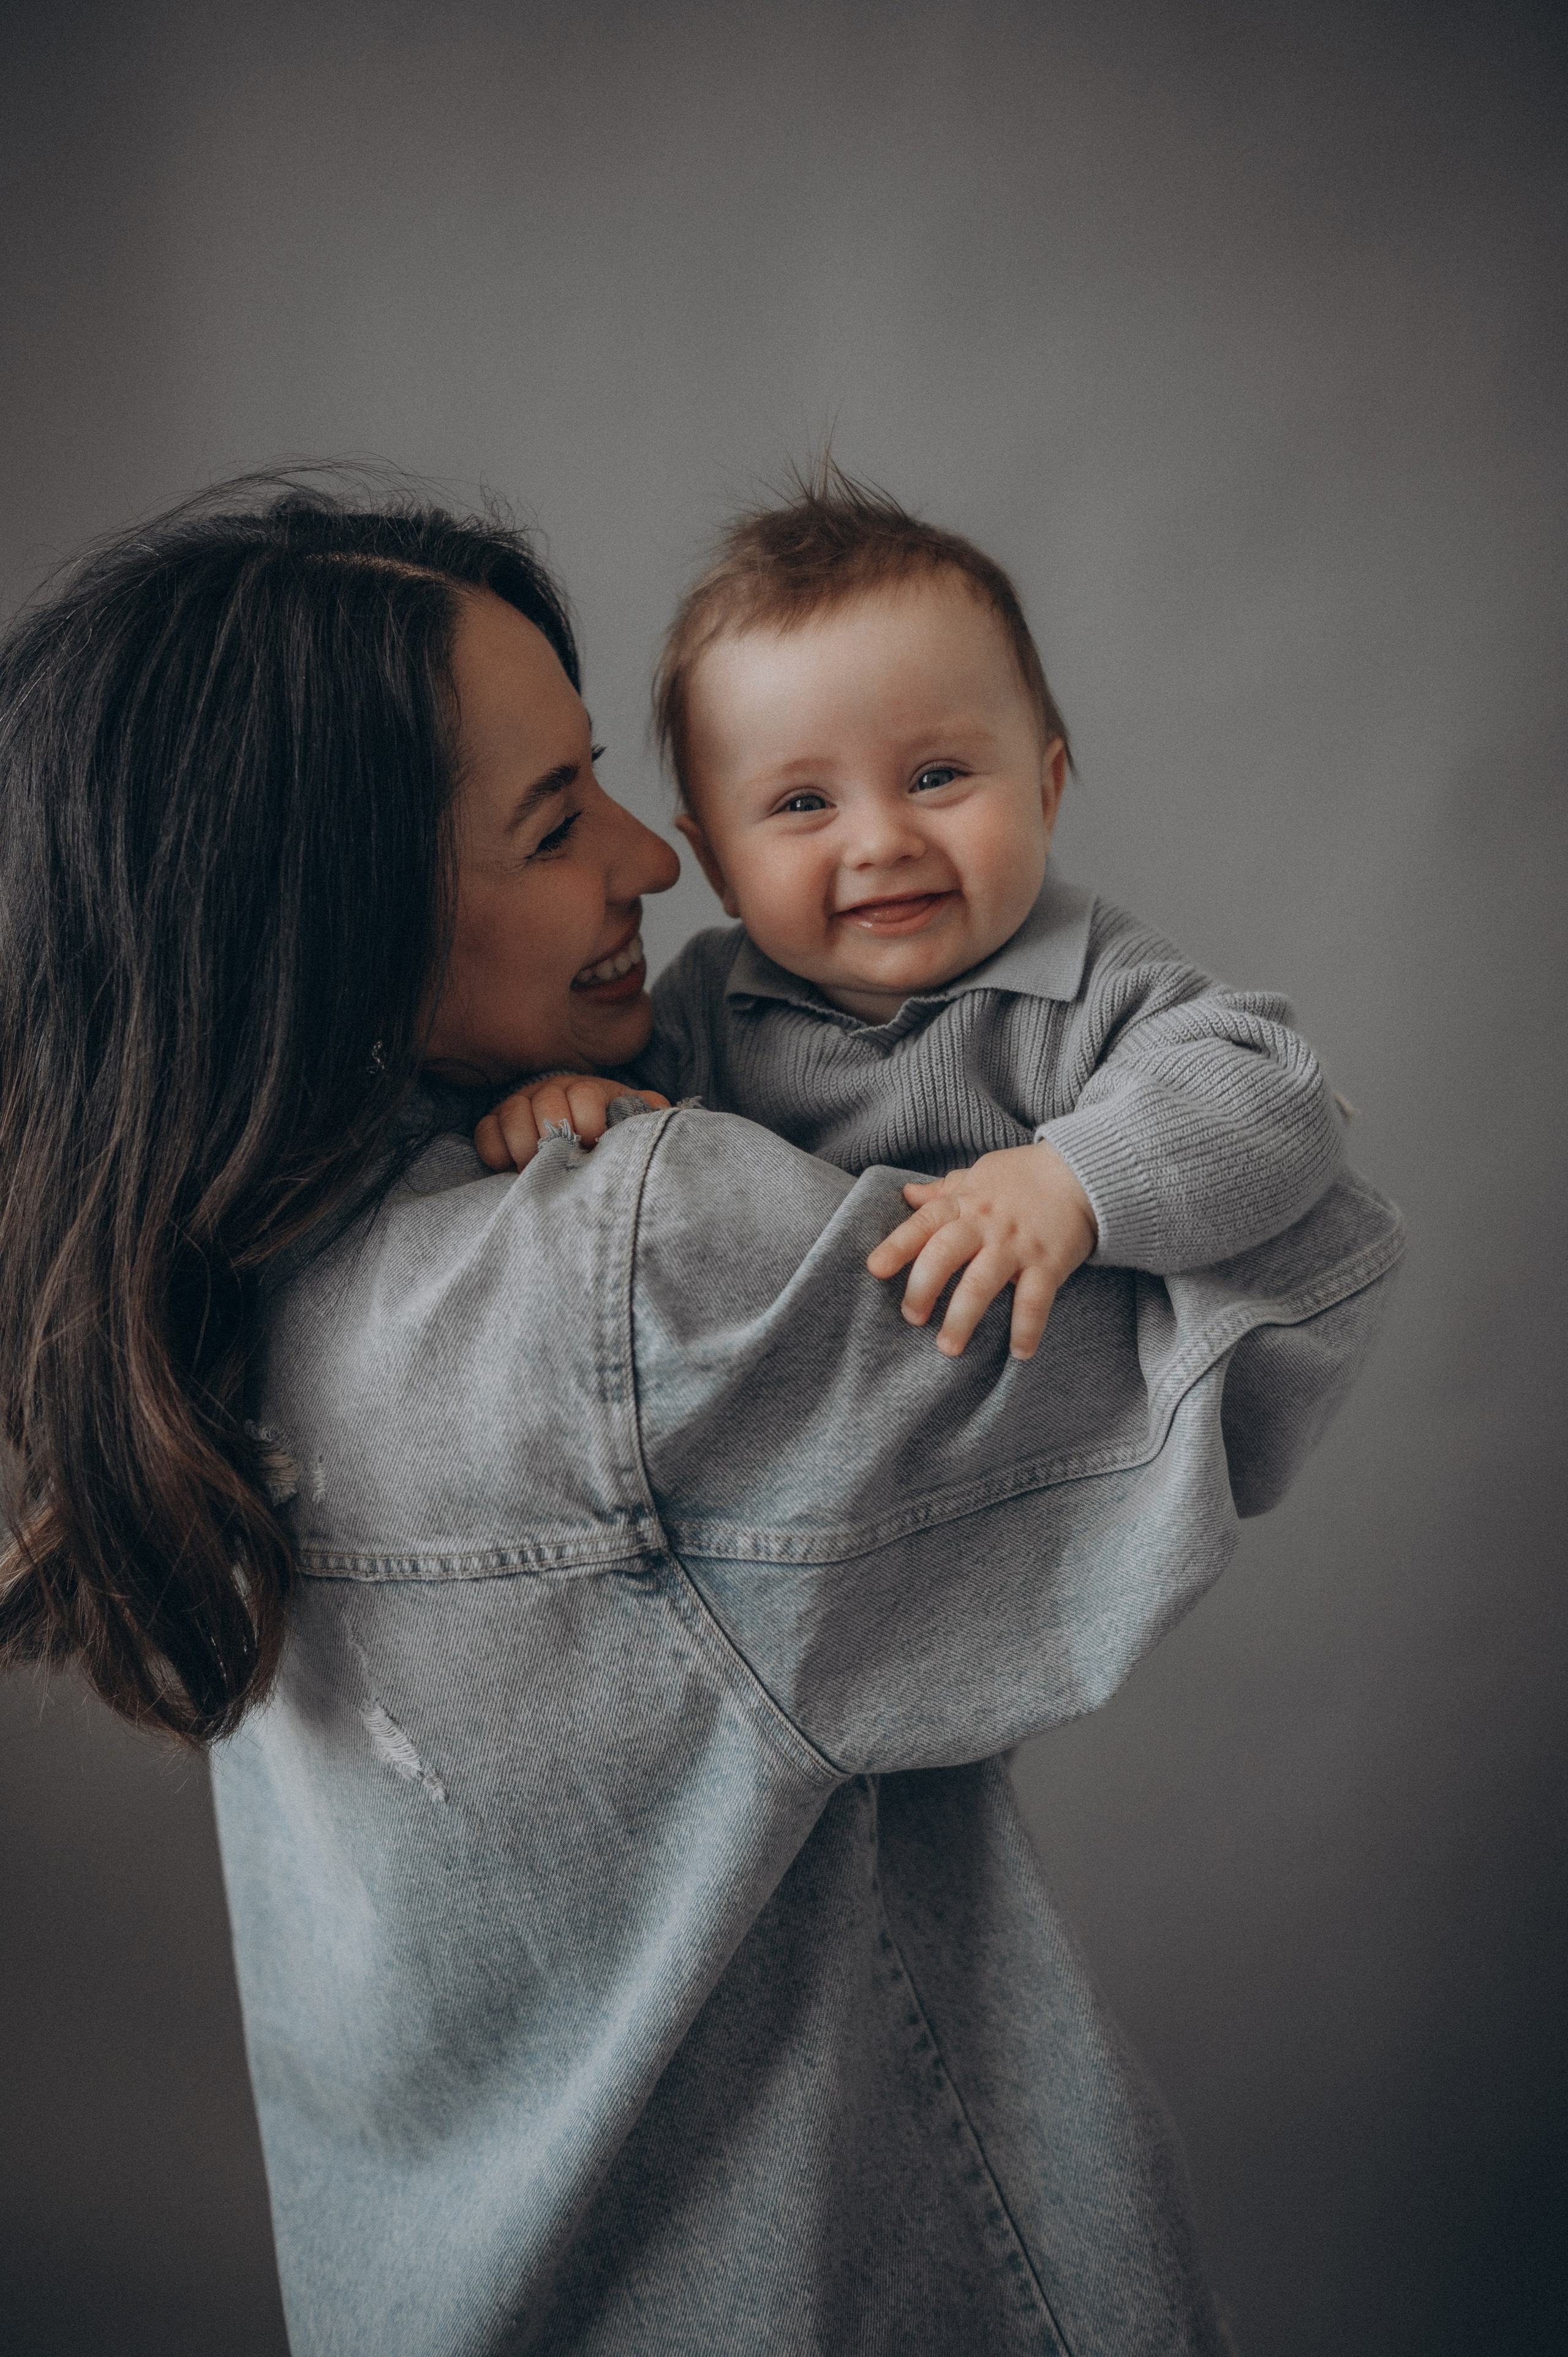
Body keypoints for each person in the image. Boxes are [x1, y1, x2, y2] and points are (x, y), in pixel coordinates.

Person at [0, 479, 1403, 2357]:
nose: (659, 859)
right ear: (339, 923)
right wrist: (1086, 1188)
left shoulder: (213, 1299)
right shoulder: (647, 1272)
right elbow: (1298, 1274)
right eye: (557, 815)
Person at [478, 467, 1346, 1365]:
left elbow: (1279, 1097)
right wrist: (582, 1105)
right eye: (804, 803)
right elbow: (647, 1146)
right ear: (719, 868)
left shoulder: (1091, 979)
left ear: (1045, 794)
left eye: (937, 778)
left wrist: (1072, 1184)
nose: (883, 842)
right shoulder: (709, 1004)